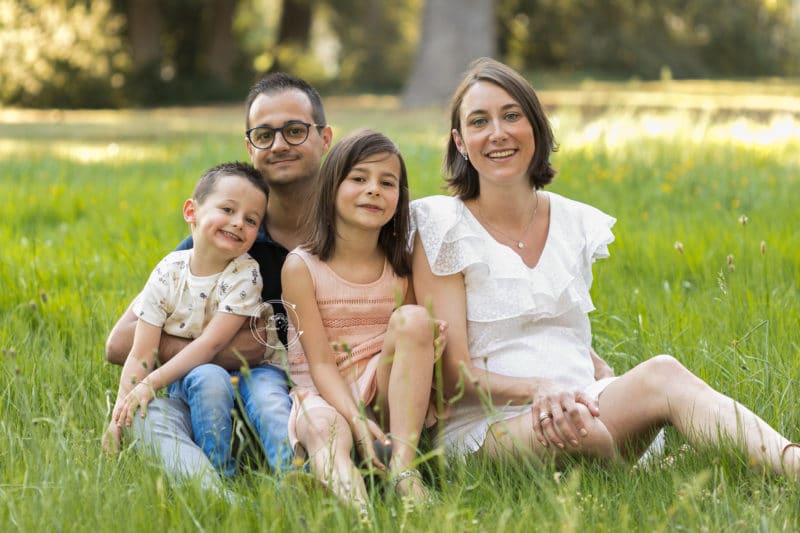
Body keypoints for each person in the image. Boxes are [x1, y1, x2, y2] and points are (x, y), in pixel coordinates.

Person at [410, 57, 799, 475]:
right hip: (487, 428)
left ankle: (790, 463)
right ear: (460, 141)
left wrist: (598, 374)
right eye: (479, 122)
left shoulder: (574, 222)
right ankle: (633, 466)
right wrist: (542, 388)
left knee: (663, 372)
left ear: (536, 129)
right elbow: (452, 378)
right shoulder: (443, 225)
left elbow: (554, 324)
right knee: (587, 431)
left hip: (582, 401)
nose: (498, 133)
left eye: (511, 116)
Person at [104, 73, 333, 492]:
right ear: (250, 147)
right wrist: (227, 351)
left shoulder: (349, 226)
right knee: (150, 415)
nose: (279, 144)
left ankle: (298, 475)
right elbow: (120, 343)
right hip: (210, 393)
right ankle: (217, 493)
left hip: (311, 397)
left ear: (325, 138)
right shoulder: (221, 241)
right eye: (264, 134)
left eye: (295, 131)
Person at [281, 129, 445, 510]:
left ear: (399, 199)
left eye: (387, 183)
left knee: (415, 318)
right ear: (331, 188)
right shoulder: (301, 267)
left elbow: (410, 345)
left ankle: (403, 469)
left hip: (384, 391)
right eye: (359, 178)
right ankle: (355, 506)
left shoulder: (399, 268)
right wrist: (354, 420)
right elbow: (319, 363)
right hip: (325, 392)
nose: (374, 189)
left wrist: (428, 341)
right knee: (324, 430)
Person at [103, 162, 275, 476]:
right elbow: (141, 354)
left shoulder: (245, 274)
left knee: (210, 374)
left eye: (251, 220)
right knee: (193, 385)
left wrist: (150, 384)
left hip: (243, 381)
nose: (238, 223)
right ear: (190, 211)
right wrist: (119, 416)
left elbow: (210, 346)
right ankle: (213, 485)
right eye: (227, 209)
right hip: (186, 382)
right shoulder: (167, 272)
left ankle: (222, 472)